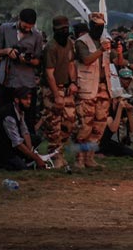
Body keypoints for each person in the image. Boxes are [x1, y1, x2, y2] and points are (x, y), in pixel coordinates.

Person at [73, 13, 123, 169]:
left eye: (101, 27)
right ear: (90, 26)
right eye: (96, 27)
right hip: (87, 88)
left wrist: (119, 51)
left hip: (103, 87)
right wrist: (101, 50)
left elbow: (119, 62)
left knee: (99, 126)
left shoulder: (105, 42)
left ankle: (90, 158)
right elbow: (86, 60)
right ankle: (79, 159)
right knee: (85, 125)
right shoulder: (82, 42)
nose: (99, 30)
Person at [0, 8, 43, 133]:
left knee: (27, 120)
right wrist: (7, 51)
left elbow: (38, 61)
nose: (27, 29)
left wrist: (26, 60)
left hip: (26, 82)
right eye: (25, 26)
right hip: (6, 80)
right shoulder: (5, 29)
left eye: (30, 27)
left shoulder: (37, 36)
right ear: (19, 20)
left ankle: (27, 147)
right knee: (4, 116)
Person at [42, 15, 78, 168]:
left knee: (69, 122)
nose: (65, 31)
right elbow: (49, 74)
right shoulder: (51, 47)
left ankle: (61, 151)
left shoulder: (69, 43)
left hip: (66, 87)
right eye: (61, 29)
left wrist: (74, 82)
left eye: (66, 28)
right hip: (52, 89)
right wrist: (56, 95)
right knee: (54, 125)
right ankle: (55, 155)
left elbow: (70, 64)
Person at [0, 87, 46, 170]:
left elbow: (25, 132)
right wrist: (36, 158)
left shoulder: (20, 110)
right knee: (20, 167)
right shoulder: (9, 116)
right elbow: (17, 143)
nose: (29, 102)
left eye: (30, 99)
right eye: (25, 99)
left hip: (7, 141)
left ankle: (22, 158)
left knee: (35, 139)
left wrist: (31, 152)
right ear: (17, 100)